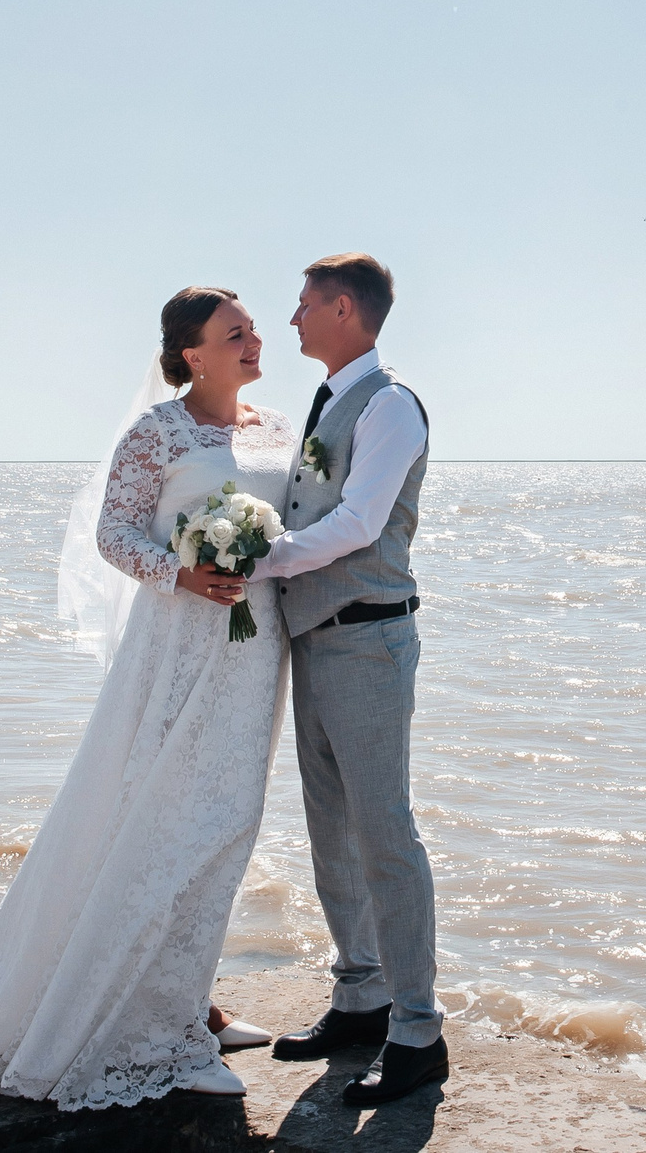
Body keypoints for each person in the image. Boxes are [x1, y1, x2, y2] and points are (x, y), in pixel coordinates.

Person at [0, 287, 294, 1107]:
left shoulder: (279, 428)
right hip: (178, 647)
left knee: (230, 822)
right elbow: (114, 534)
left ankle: (196, 1005)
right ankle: (158, 1032)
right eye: (236, 332)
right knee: (164, 824)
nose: (256, 340)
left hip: (257, 654)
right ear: (192, 353)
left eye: (252, 328)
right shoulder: (158, 432)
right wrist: (183, 571)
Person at [246, 252, 448, 1107]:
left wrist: (261, 557)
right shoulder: (329, 401)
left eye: (300, 305)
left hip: (368, 643)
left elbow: (360, 522)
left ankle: (418, 1029)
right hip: (315, 643)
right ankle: (360, 996)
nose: (290, 319)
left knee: (385, 835)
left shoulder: (392, 404)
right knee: (330, 830)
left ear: (340, 308)